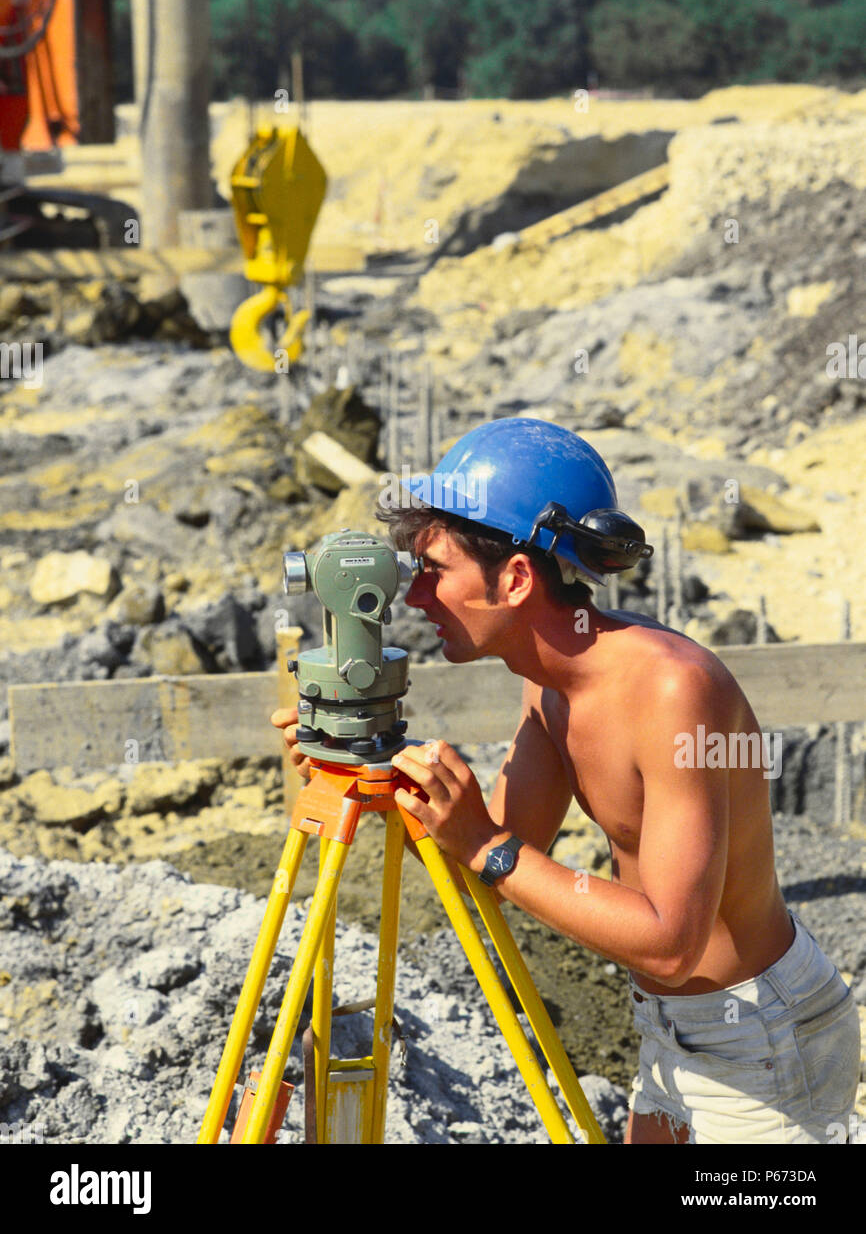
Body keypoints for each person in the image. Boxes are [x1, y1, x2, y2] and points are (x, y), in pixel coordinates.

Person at [272, 417, 861, 1145]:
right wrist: (367, 757)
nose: (415, 599)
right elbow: (480, 869)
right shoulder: (546, 687)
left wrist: (486, 844)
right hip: (672, 1027)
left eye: (434, 570)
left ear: (516, 579)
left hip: (762, 1041)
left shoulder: (673, 691)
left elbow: (671, 941)